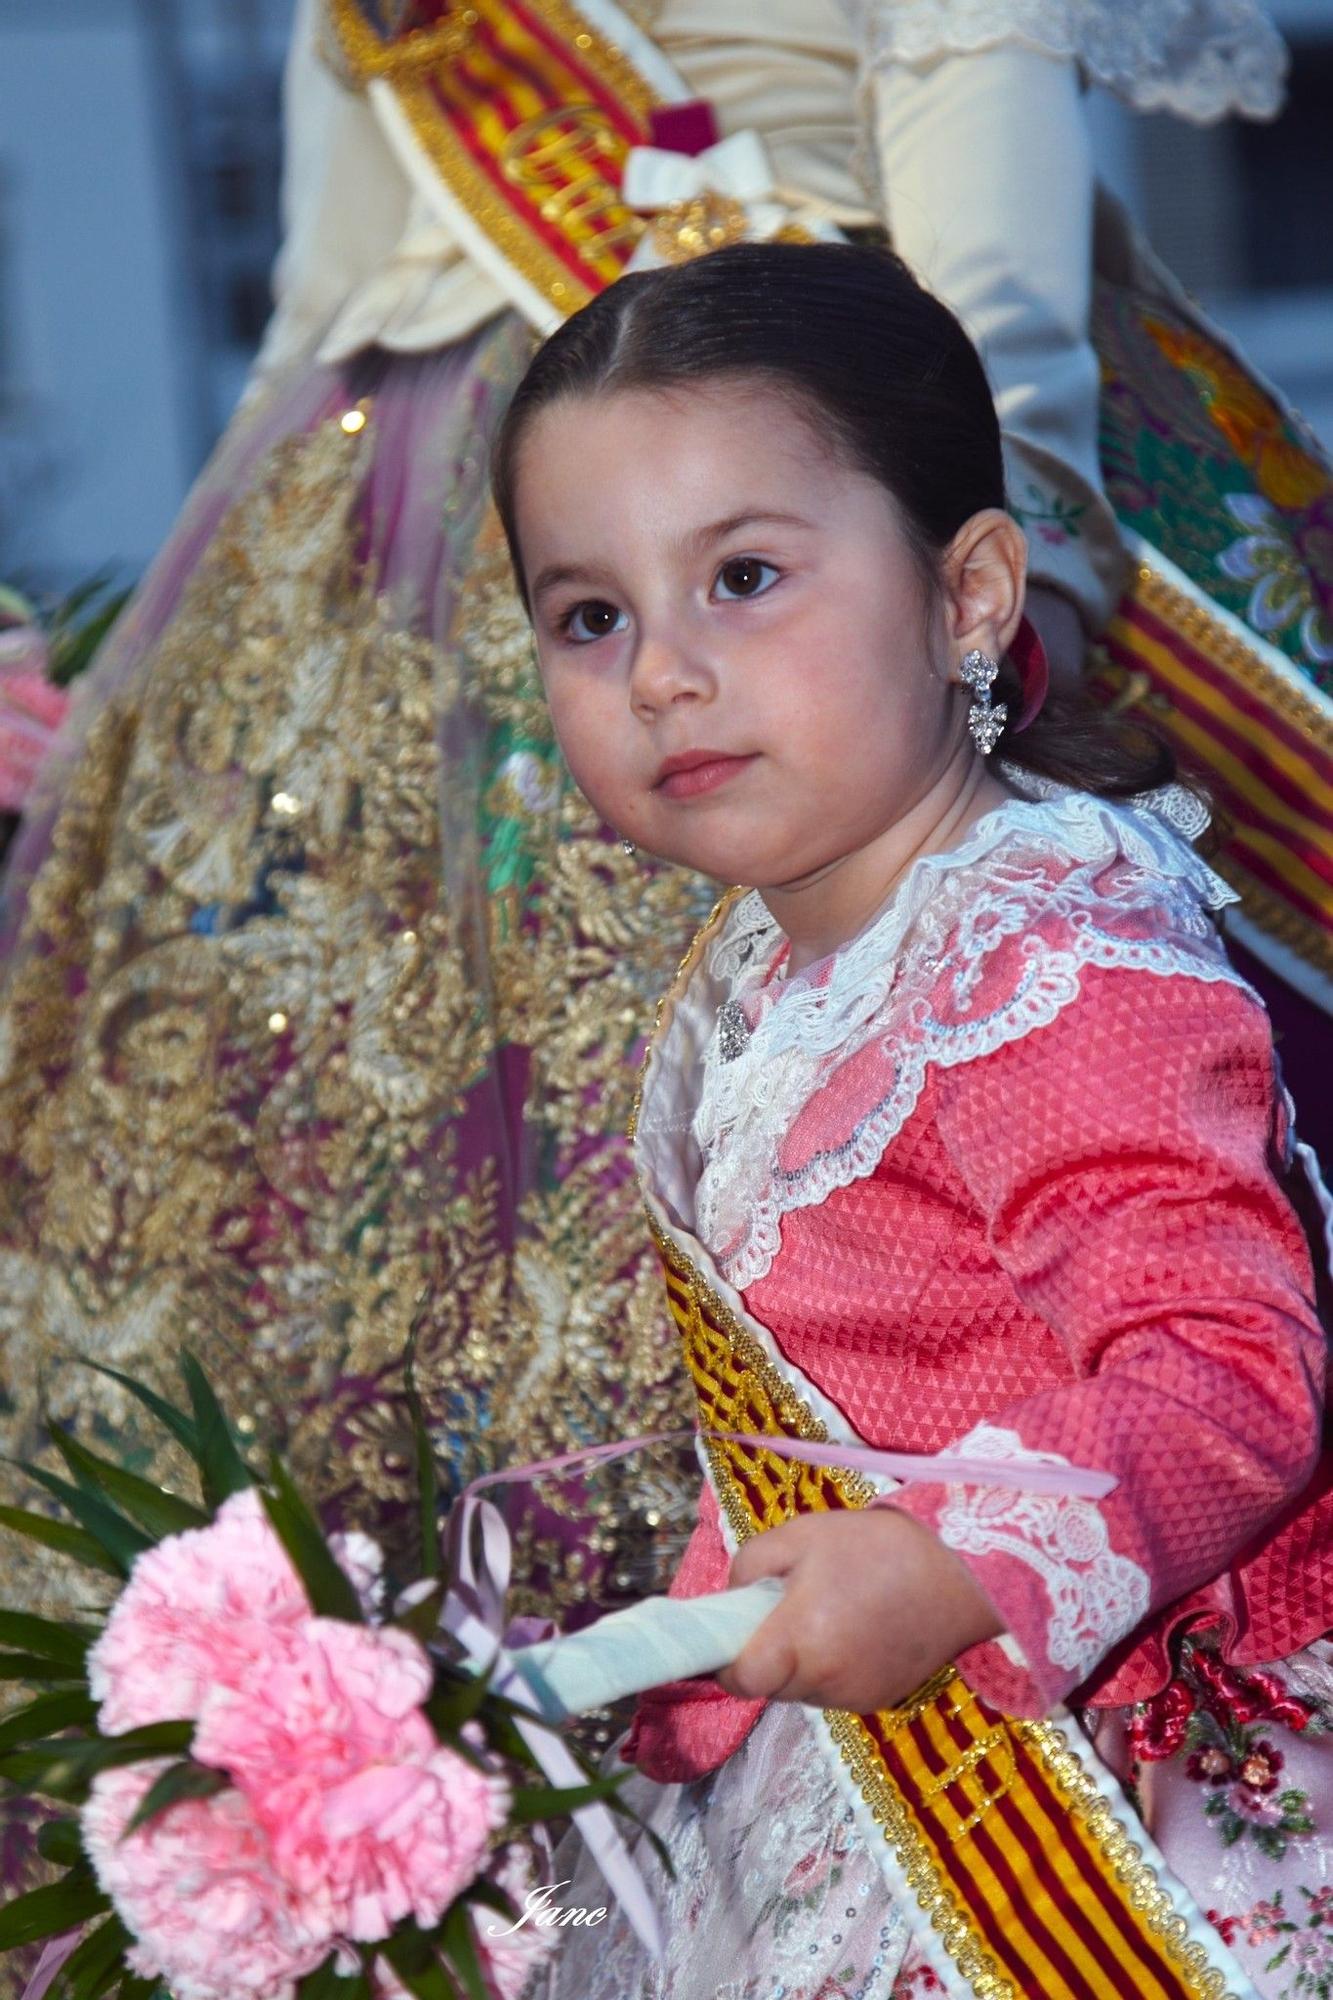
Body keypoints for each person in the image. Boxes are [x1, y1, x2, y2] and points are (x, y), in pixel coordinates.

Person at [494, 240, 1333, 2000]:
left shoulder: (1047, 948)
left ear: (964, 598)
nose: (658, 672)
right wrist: (690, 1661)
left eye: (740, 576)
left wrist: (952, 1572)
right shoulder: (787, 971)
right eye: (590, 615)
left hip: (1106, 1782)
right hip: (890, 1754)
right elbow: (830, 1417)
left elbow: (1224, 1376)